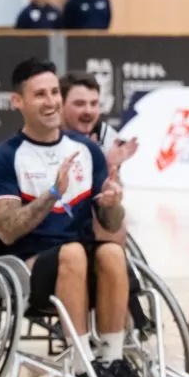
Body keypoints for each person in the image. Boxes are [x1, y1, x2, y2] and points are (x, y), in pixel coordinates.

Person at [0, 58, 139, 377]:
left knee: (112, 253)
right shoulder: (4, 157)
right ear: (18, 101)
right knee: (72, 253)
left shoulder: (87, 151)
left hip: (81, 260)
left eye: (55, 92)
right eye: (40, 94)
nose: (52, 101)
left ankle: (113, 361)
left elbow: (109, 224)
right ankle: (83, 365)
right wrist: (52, 193)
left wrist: (114, 204)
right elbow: (7, 231)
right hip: (29, 270)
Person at [59, 71, 138, 246]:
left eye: (94, 104)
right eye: (79, 104)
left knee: (116, 224)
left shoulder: (107, 136)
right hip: (56, 218)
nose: (88, 111)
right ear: (60, 105)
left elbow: (112, 195)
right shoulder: (48, 136)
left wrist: (111, 167)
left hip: (92, 219)